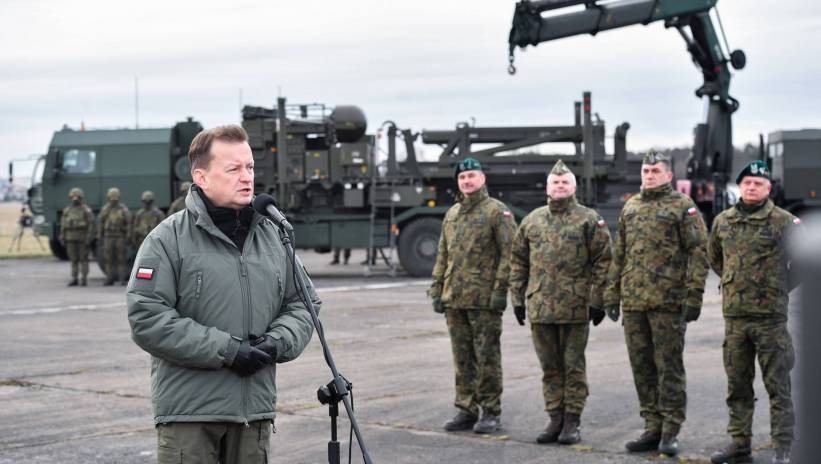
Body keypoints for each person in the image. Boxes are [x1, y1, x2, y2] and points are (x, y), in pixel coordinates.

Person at [126, 124, 319, 463]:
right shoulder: (167, 240)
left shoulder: (274, 237)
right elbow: (147, 317)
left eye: (250, 167)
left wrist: (276, 342)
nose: (247, 178)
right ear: (201, 177)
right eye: (233, 169)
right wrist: (227, 350)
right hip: (191, 417)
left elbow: (305, 302)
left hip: (253, 414)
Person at [603, 151, 708, 456]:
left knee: (669, 367)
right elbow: (620, 254)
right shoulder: (631, 206)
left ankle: (671, 428)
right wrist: (612, 294)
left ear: (668, 175)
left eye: (655, 171)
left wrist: (694, 295)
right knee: (642, 367)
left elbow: (698, 253)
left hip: (668, 302)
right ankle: (652, 426)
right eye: (645, 171)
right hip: (634, 303)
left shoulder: (683, 206)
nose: (649, 176)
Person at [509, 160, 612, 445]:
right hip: (541, 307)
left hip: (575, 307)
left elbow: (604, 261)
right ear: (547, 188)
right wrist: (517, 298)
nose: (560, 186)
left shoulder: (589, 219)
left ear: (574, 187)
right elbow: (518, 261)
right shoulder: (532, 220)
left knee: (573, 367)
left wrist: (598, 300)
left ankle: (572, 421)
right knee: (550, 368)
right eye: (555, 182)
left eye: (565, 182)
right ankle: (555, 418)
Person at [707, 160, 799, 464]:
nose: (751, 187)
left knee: (778, 386)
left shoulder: (783, 221)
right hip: (735, 318)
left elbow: (803, 261)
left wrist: (779, 287)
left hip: (770, 319)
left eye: (758, 184)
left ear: (768, 188)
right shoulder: (723, 221)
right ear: (739, 187)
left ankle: (783, 447)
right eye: (746, 183)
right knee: (737, 386)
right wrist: (735, 283)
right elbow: (715, 258)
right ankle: (739, 445)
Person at [427, 157, 517, 434]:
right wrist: (437, 289)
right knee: (462, 358)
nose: (467, 181)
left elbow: (509, 255)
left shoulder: (497, 212)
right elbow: (443, 254)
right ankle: (466, 409)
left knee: (487, 357)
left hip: (484, 300)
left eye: (471, 176)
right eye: (462, 177)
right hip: (455, 298)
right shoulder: (453, 213)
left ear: (482, 179)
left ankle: (490, 410)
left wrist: (500, 291)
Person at [59, 188, 94, 286]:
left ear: (80, 197)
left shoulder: (86, 210)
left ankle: (84, 278)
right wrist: (62, 237)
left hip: (82, 238)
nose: (75, 198)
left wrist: (89, 237)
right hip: (70, 238)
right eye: (73, 196)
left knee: (83, 259)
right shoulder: (67, 210)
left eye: (77, 196)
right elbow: (63, 225)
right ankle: (74, 278)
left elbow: (91, 225)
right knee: (73, 259)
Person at [98, 187, 131, 286]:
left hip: (120, 237)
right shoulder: (105, 209)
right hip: (108, 237)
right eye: (111, 197)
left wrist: (128, 235)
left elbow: (129, 223)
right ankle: (109, 278)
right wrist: (100, 236)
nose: (113, 199)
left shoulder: (123, 209)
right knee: (108, 259)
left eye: (115, 197)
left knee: (121, 259)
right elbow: (101, 223)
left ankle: (122, 279)